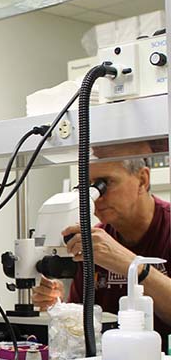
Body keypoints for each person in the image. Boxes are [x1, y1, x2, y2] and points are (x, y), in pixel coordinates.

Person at [32, 142, 171, 346]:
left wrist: (128, 263)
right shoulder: (96, 241)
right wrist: (60, 309)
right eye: (88, 186)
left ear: (142, 180)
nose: (95, 197)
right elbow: (82, 330)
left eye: (104, 183)